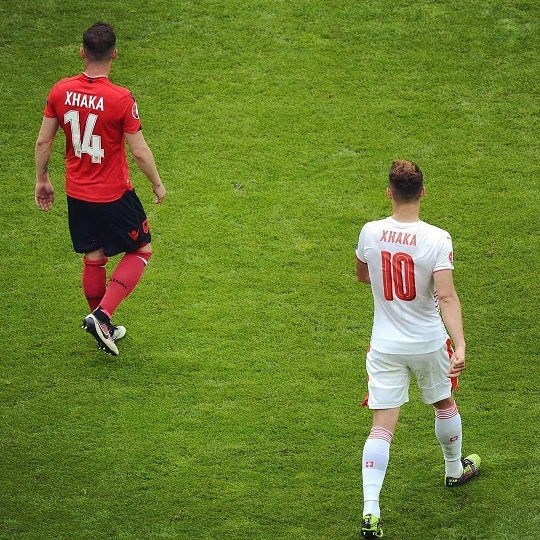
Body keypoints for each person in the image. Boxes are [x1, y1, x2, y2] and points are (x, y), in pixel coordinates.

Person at [354, 160, 480, 538]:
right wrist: (460, 345)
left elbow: (362, 275)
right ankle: (454, 470)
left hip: (385, 345)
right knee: (443, 403)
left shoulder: (370, 231)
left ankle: (371, 510)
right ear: (422, 192)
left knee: (381, 427)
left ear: (389, 193)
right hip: (427, 343)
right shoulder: (438, 238)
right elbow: (446, 295)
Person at [35, 21, 166, 356]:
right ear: (115, 54)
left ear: (82, 52)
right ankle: (103, 315)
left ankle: (102, 326)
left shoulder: (60, 91)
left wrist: (42, 179)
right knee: (141, 249)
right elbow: (139, 151)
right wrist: (157, 183)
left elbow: (43, 141)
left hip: (77, 193)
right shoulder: (121, 98)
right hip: (114, 194)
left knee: (94, 258)